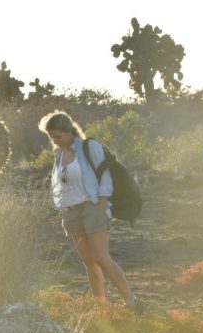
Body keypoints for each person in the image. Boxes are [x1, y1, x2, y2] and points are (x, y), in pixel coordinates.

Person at [39, 110, 143, 314]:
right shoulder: (59, 154)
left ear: (69, 132)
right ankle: (99, 306)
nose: (55, 141)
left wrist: (101, 204)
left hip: (91, 207)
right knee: (89, 262)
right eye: (51, 137)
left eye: (58, 136)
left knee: (101, 257)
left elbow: (105, 176)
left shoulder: (89, 147)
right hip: (70, 212)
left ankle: (131, 301)